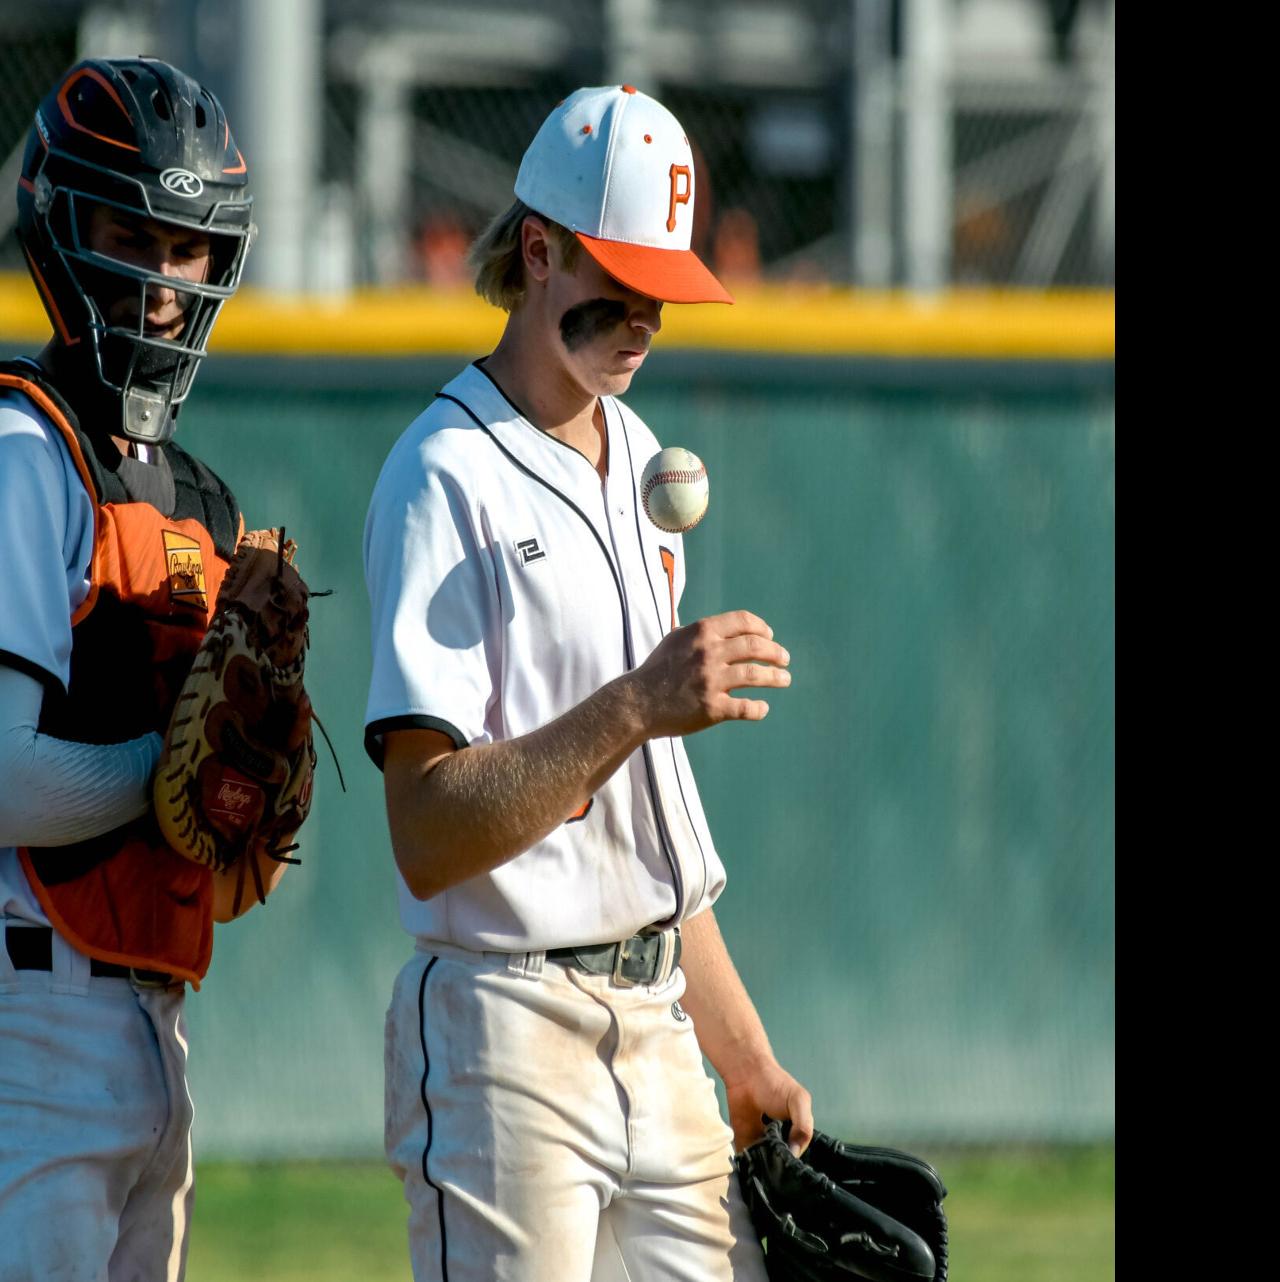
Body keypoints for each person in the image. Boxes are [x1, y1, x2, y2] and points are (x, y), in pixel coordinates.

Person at [365, 84, 812, 1282]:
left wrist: (744, 1052)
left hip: (656, 1020)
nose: (644, 318)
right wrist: (632, 705)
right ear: (537, 249)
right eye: (617, 281)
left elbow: (650, 818)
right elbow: (424, 828)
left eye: (662, 288)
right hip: (502, 1033)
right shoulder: (441, 477)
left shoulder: (634, 461)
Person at [0, 57, 284, 1281]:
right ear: (63, 225)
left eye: (186, 249)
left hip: (157, 1021)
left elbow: (209, 854)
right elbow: (5, 781)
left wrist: (246, 809)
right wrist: (169, 765)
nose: (162, 282)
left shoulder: (204, 504)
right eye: (132, 234)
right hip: (30, 1011)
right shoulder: (25, 445)